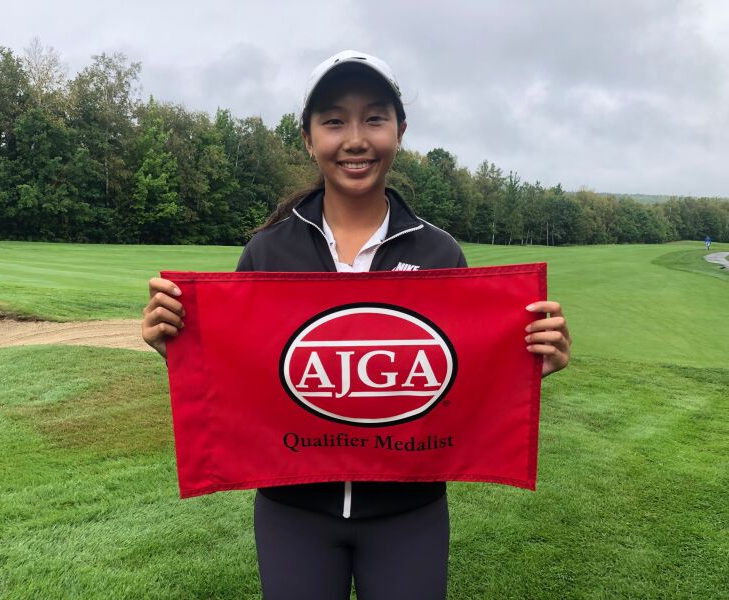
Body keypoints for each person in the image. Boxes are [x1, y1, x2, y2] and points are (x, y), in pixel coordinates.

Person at [141, 50, 572, 600]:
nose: (355, 139)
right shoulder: (267, 251)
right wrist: (175, 344)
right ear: (307, 137)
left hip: (408, 509)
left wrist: (532, 361)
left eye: (373, 117)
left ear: (400, 130)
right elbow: (240, 369)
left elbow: (461, 377)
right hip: (294, 508)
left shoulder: (439, 252)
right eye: (333, 121)